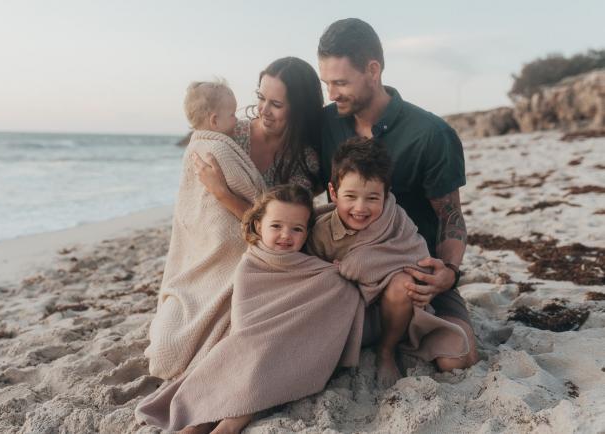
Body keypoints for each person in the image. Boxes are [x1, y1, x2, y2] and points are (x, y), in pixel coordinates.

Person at [317, 18, 479, 370]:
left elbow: (450, 217)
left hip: (413, 274)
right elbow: (294, 191)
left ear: (372, 70)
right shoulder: (325, 124)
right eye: (326, 83)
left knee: (457, 358)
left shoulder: (431, 134)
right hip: (344, 272)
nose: (331, 93)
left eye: (340, 82)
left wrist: (448, 271)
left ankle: (397, 335)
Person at [136, 185, 362, 433]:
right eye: (276, 226)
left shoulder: (316, 270)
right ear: (258, 226)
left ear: (307, 233)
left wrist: (344, 273)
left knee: (267, 356)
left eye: (296, 229)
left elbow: (338, 296)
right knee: (239, 358)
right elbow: (245, 325)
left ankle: (233, 422)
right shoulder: (250, 265)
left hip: (287, 347)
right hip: (250, 344)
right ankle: (199, 422)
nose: (286, 235)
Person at [307, 137, 469, 387]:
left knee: (404, 284)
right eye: (350, 196)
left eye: (372, 198)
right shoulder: (321, 233)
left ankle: (386, 351)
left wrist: (358, 265)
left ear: (386, 194)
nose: (360, 208)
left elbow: (415, 259)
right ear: (333, 193)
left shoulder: (396, 220)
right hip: (348, 311)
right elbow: (310, 276)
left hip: (394, 312)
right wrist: (341, 276)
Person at [143, 79, 266, 381]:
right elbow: (252, 192)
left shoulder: (194, 147)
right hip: (222, 241)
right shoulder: (218, 150)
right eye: (233, 114)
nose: (237, 121)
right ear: (214, 121)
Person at [191, 56, 324, 217]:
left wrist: (222, 194)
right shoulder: (229, 133)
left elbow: (283, 223)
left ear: (300, 111)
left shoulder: (304, 160)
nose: (264, 110)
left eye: (276, 104)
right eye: (261, 98)